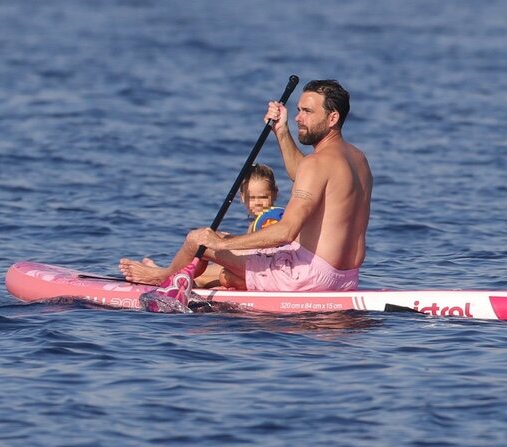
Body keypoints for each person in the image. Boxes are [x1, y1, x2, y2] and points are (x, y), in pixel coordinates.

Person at [120, 79, 372, 292]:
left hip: (307, 278)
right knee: (228, 262)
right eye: (297, 110)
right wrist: (281, 131)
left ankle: (160, 279)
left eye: (307, 111)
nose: (298, 118)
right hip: (346, 279)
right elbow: (304, 176)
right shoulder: (357, 159)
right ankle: (205, 278)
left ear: (332, 118)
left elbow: (284, 232)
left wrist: (219, 244)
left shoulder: (316, 163)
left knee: (198, 241)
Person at [131, 163, 284, 288]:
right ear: (242, 197)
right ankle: (173, 275)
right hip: (258, 267)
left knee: (222, 271)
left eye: (263, 197)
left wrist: (225, 242)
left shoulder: (270, 218)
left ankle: (164, 277)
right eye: (252, 197)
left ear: (275, 194)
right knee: (208, 273)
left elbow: (267, 247)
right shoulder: (259, 219)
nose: (257, 202)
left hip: (267, 271)